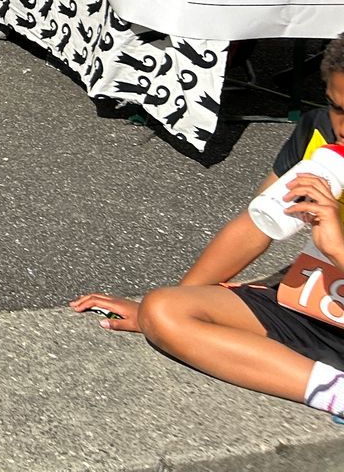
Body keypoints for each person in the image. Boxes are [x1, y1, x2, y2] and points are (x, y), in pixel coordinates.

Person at [72, 35, 344, 424]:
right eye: (337, 106)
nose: (342, 127)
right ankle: (334, 392)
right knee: (165, 309)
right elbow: (255, 226)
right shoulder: (319, 136)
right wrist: (164, 308)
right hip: (320, 304)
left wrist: (336, 248)